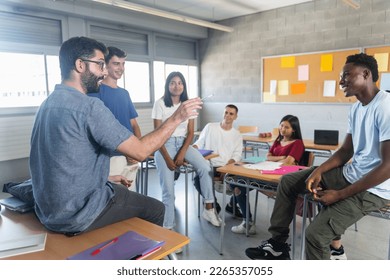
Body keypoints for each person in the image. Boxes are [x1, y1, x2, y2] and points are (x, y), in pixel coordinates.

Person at [29, 37, 202, 236]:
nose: (104, 72)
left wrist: (104, 177)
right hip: (77, 214)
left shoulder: (47, 104)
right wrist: (177, 117)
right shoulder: (89, 107)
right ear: (80, 65)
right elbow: (140, 151)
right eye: (100, 64)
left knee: (120, 191)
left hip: (49, 211)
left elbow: (63, 162)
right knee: (157, 209)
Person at [245, 53, 390, 260]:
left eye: (346, 75)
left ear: (366, 74)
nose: (341, 81)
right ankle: (277, 245)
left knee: (315, 235)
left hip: (375, 188)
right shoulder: (356, 108)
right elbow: (345, 151)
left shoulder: (386, 106)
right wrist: (320, 170)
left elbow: (387, 167)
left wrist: (339, 195)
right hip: (351, 174)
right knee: (288, 182)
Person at [152, 71, 222, 230]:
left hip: (184, 143)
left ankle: (209, 208)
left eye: (180, 83)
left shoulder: (188, 104)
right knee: (168, 192)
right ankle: (168, 229)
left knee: (205, 167)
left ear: (184, 86)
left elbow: (191, 133)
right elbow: (157, 135)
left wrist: (182, 152)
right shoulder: (160, 103)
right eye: (173, 82)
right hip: (164, 145)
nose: (177, 86)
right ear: (167, 85)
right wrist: (169, 160)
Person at [231, 115, 305, 235]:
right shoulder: (277, 140)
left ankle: (236, 209)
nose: (283, 129)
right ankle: (246, 221)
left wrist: (277, 160)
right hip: (266, 173)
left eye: (287, 127)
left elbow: (288, 162)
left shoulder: (297, 143)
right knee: (237, 183)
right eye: (281, 125)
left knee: (239, 185)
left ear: (294, 129)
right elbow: (267, 157)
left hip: (280, 181)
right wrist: (281, 157)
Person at [88, 46, 140, 190]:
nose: (121, 68)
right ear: (105, 65)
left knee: (131, 200)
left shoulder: (125, 94)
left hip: (130, 158)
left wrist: (137, 150)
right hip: (110, 159)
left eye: (123, 64)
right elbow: (98, 130)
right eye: (116, 63)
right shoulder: (95, 93)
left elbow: (134, 125)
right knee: (114, 202)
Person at [192, 104, 244, 218]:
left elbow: (237, 154)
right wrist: (192, 149)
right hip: (211, 166)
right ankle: (213, 204)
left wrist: (226, 168)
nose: (228, 115)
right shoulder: (210, 127)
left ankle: (232, 205)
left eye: (231, 114)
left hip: (227, 167)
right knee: (197, 179)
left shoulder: (237, 134)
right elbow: (200, 142)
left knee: (242, 183)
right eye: (226, 112)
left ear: (235, 117)